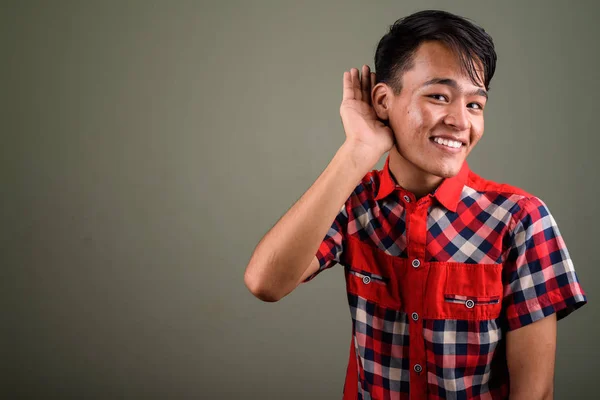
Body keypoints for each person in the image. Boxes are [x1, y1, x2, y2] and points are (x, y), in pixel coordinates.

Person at [243, 9, 587, 400]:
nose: (461, 121)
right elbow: (265, 282)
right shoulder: (354, 204)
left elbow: (535, 393)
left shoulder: (521, 219)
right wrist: (357, 150)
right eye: (439, 96)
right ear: (384, 100)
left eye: (475, 105)